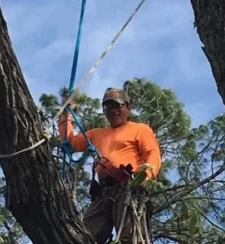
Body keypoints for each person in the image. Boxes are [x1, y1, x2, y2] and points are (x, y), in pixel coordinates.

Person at [58, 87, 162, 244]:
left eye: (117, 106)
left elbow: (152, 154)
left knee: (130, 235)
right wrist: (67, 113)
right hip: (104, 192)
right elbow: (69, 144)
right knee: (84, 237)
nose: (113, 110)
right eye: (108, 106)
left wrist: (146, 175)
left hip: (128, 186)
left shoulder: (140, 129)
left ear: (128, 107)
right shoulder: (96, 133)